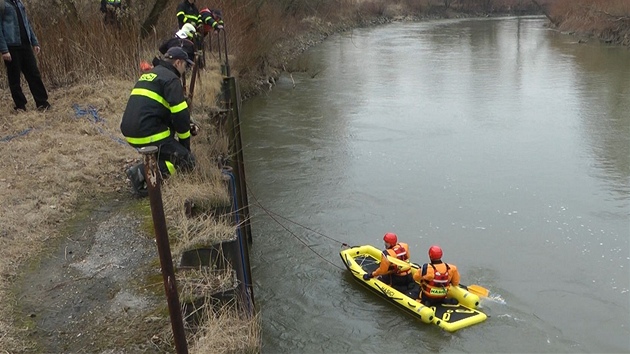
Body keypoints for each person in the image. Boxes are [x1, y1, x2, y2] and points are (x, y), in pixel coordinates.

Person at [120, 47, 198, 197]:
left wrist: (188, 126)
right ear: (178, 62)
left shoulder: (151, 74)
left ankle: (147, 169)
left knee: (170, 153)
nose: (186, 70)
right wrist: (185, 146)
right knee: (187, 162)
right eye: (186, 66)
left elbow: (161, 110)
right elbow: (180, 116)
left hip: (131, 130)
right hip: (147, 133)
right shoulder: (171, 79)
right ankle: (141, 172)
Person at [0, 0, 51, 112]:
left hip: (26, 45)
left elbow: (26, 23)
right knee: (14, 78)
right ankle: (20, 106)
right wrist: (4, 50)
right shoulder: (2, 4)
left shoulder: (19, 3)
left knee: (34, 74)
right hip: (11, 46)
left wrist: (34, 42)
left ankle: (42, 103)